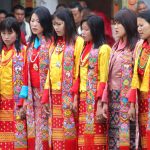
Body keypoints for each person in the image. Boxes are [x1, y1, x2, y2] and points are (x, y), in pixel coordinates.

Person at [41, 8, 84, 150]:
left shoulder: (78, 42)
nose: (56, 27)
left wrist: (75, 95)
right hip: (54, 94)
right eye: (54, 24)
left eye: (59, 24)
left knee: (70, 130)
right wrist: (46, 96)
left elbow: (79, 70)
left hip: (70, 94)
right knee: (56, 132)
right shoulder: (54, 44)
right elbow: (49, 72)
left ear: (68, 23)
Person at [102, 8, 139, 149]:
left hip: (127, 99)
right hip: (113, 97)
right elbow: (108, 77)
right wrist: (105, 100)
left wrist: (132, 103)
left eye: (119, 23)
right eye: (114, 23)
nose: (115, 27)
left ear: (128, 24)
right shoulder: (115, 47)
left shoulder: (135, 47)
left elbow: (136, 77)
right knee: (113, 138)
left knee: (127, 137)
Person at [19, 6, 53, 149]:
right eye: (32, 21)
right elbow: (26, 71)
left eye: (37, 21)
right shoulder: (30, 45)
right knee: (36, 127)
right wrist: (24, 97)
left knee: (47, 126)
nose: (34, 24)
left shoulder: (51, 43)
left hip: (47, 94)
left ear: (45, 23)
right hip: (33, 95)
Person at [78, 15, 111, 149]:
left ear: (95, 30)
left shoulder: (103, 49)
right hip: (84, 98)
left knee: (96, 136)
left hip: (95, 98)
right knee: (84, 137)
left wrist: (100, 103)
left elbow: (104, 78)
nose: (83, 33)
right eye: (82, 29)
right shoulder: (85, 48)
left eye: (86, 30)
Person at [0, 17, 27, 149]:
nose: (6, 37)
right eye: (3, 33)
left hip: (17, 102)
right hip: (2, 102)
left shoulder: (24, 52)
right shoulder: (0, 53)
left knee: (18, 139)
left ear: (17, 33)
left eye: (10, 33)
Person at [128, 9, 150, 149]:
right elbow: (134, 76)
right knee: (144, 138)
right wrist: (132, 104)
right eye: (138, 26)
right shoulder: (139, 46)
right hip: (142, 100)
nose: (139, 29)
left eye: (142, 25)